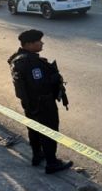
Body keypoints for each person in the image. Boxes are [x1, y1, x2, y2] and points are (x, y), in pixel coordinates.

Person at [8, 29, 73, 174]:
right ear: (29, 44)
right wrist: (54, 78)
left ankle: (37, 155)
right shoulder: (32, 63)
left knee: (34, 129)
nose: (42, 43)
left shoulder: (17, 58)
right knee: (50, 131)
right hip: (43, 103)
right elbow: (40, 85)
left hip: (29, 103)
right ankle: (52, 163)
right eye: (39, 41)